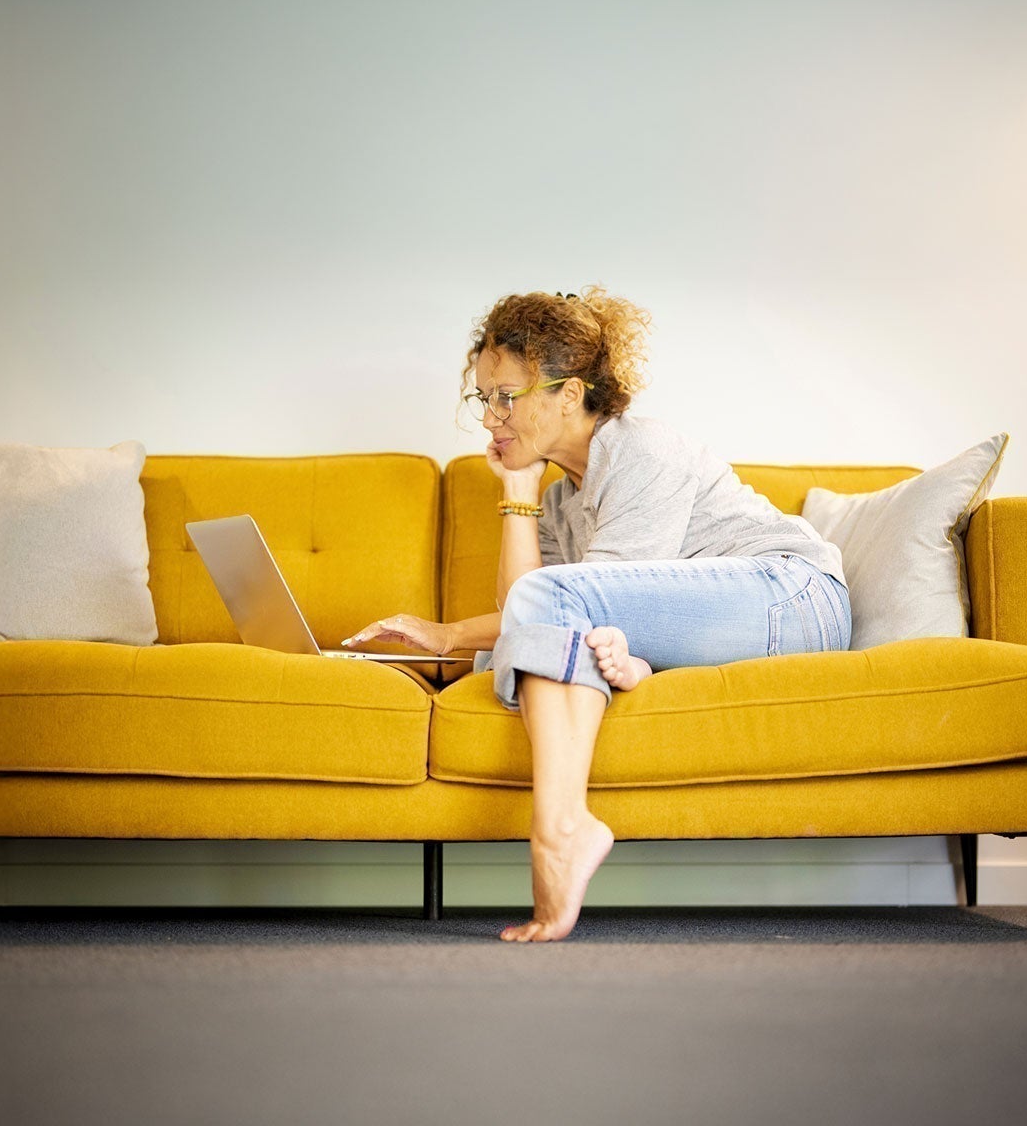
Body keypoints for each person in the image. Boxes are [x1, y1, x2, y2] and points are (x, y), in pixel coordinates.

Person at [343, 286, 853, 942]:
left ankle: (560, 831)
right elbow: (532, 610)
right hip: (718, 621)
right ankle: (635, 667)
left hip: (792, 596)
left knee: (545, 617)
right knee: (543, 629)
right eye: (483, 397)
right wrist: (520, 494)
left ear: (570, 394)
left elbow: (563, 599)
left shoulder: (642, 451)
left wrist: (447, 635)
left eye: (507, 396)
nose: (490, 417)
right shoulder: (561, 502)